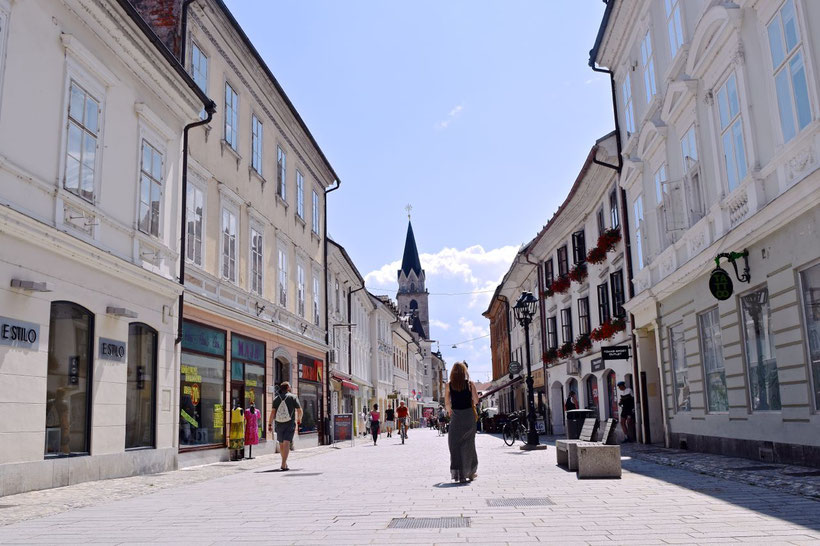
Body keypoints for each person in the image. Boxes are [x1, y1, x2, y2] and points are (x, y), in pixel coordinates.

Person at [445, 361, 478, 483]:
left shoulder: (448, 385)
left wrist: (450, 412)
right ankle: (470, 472)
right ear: (465, 372)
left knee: (455, 445)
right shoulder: (470, 384)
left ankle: (459, 474)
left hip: (456, 416)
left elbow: (447, 403)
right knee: (468, 445)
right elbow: (475, 400)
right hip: (469, 416)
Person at [268, 381, 302, 471]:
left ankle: (284, 462)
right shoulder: (293, 397)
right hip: (289, 423)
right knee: (287, 442)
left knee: (281, 443)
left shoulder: (276, 399)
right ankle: (283, 464)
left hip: (279, 423)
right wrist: (299, 419)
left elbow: (272, 413)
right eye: (290, 386)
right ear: (288, 388)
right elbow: (299, 410)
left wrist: (270, 424)